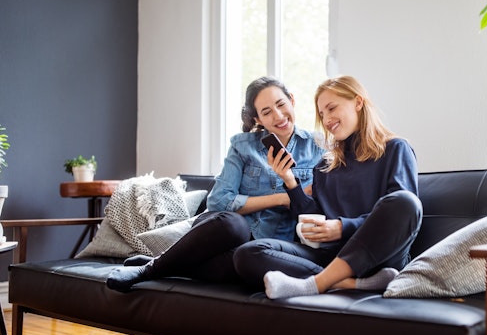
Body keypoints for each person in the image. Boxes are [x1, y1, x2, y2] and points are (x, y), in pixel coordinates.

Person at [106, 76, 325, 292]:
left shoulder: (318, 148)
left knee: (243, 262)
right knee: (235, 225)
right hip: (222, 233)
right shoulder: (242, 146)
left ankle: (167, 262)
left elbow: (311, 210)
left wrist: (291, 189)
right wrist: (285, 197)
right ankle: (149, 270)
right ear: (257, 119)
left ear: (292, 100)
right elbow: (219, 201)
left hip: (266, 244)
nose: (278, 116)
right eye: (267, 112)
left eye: (281, 104)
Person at [233, 75, 422, 298]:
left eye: (332, 108)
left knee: (405, 202)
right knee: (248, 253)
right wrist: (289, 181)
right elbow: (314, 217)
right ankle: (349, 283)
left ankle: (317, 283)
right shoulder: (325, 164)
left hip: (379, 257)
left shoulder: (395, 149)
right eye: (322, 114)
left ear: (358, 102)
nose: (327, 119)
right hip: (331, 255)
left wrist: (342, 227)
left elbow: (401, 215)